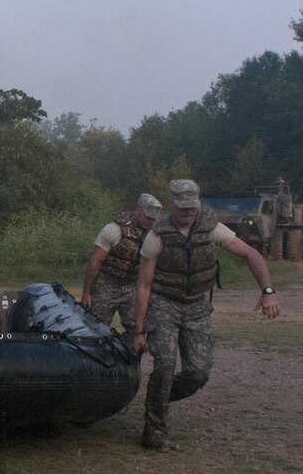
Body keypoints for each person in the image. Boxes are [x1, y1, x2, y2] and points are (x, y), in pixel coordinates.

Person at [133, 179, 280, 452]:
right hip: (164, 303)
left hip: (197, 306)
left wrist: (268, 290)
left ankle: (158, 399)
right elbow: (143, 285)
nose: (189, 212)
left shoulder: (211, 228)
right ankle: (154, 429)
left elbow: (250, 254)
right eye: (183, 207)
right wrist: (138, 331)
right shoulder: (156, 236)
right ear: (173, 204)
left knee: (198, 373)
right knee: (164, 364)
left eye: (193, 206)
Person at [79, 193, 162, 345]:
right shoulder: (113, 230)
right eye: (147, 217)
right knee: (95, 327)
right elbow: (95, 262)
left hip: (132, 286)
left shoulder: (154, 235)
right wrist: (86, 293)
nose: (150, 221)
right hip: (106, 283)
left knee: (138, 329)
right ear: (138, 210)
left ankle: (125, 359)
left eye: (153, 219)